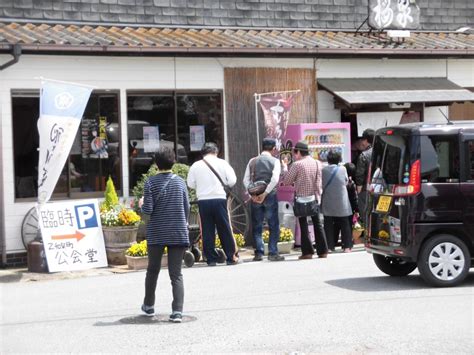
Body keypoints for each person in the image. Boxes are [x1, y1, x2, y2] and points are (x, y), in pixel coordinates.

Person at [139, 147, 189, 323]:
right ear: (174, 161)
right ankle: (177, 312)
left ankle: (149, 305)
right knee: (176, 274)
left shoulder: (150, 183)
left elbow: (148, 210)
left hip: (157, 232)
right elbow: (186, 208)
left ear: (156, 164)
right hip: (177, 232)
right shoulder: (181, 182)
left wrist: (141, 204)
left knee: (153, 270)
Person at [187, 142, 240, 266]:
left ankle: (210, 258)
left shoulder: (196, 165)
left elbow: (190, 184)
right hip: (219, 199)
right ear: (216, 151)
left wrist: (201, 187)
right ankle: (231, 257)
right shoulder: (222, 163)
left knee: (206, 229)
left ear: (203, 153)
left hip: (203, 201)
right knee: (225, 228)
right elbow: (232, 181)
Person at [282, 141, 328, 259]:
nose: (294, 155)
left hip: (301, 199)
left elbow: (287, 181)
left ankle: (307, 252)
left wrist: (285, 167)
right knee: (317, 224)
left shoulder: (297, 165)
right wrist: (318, 197)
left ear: (298, 152)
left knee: (303, 225)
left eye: (295, 152)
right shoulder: (318, 163)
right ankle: (323, 251)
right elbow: (318, 183)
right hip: (314, 198)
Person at [243, 138, 285, 262]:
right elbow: (275, 179)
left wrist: (253, 195)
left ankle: (259, 253)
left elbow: (245, 180)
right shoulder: (275, 161)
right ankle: (272, 252)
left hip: (255, 196)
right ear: (273, 149)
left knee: (257, 225)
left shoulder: (252, 161)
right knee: (273, 224)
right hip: (270, 195)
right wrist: (265, 193)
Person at [322, 150, 353, 253]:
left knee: (328, 223)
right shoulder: (343, 169)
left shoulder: (324, 170)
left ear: (328, 160)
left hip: (328, 200)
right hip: (342, 200)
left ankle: (329, 246)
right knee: (345, 222)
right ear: (339, 159)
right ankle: (347, 246)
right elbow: (345, 182)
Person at [355, 128, 375, 224]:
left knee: (365, 213)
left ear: (366, 140)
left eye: (363, 139)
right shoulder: (381, 151)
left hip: (365, 189)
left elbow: (360, 175)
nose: (362, 142)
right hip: (380, 188)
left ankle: (367, 235)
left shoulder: (364, 155)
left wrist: (359, 189)